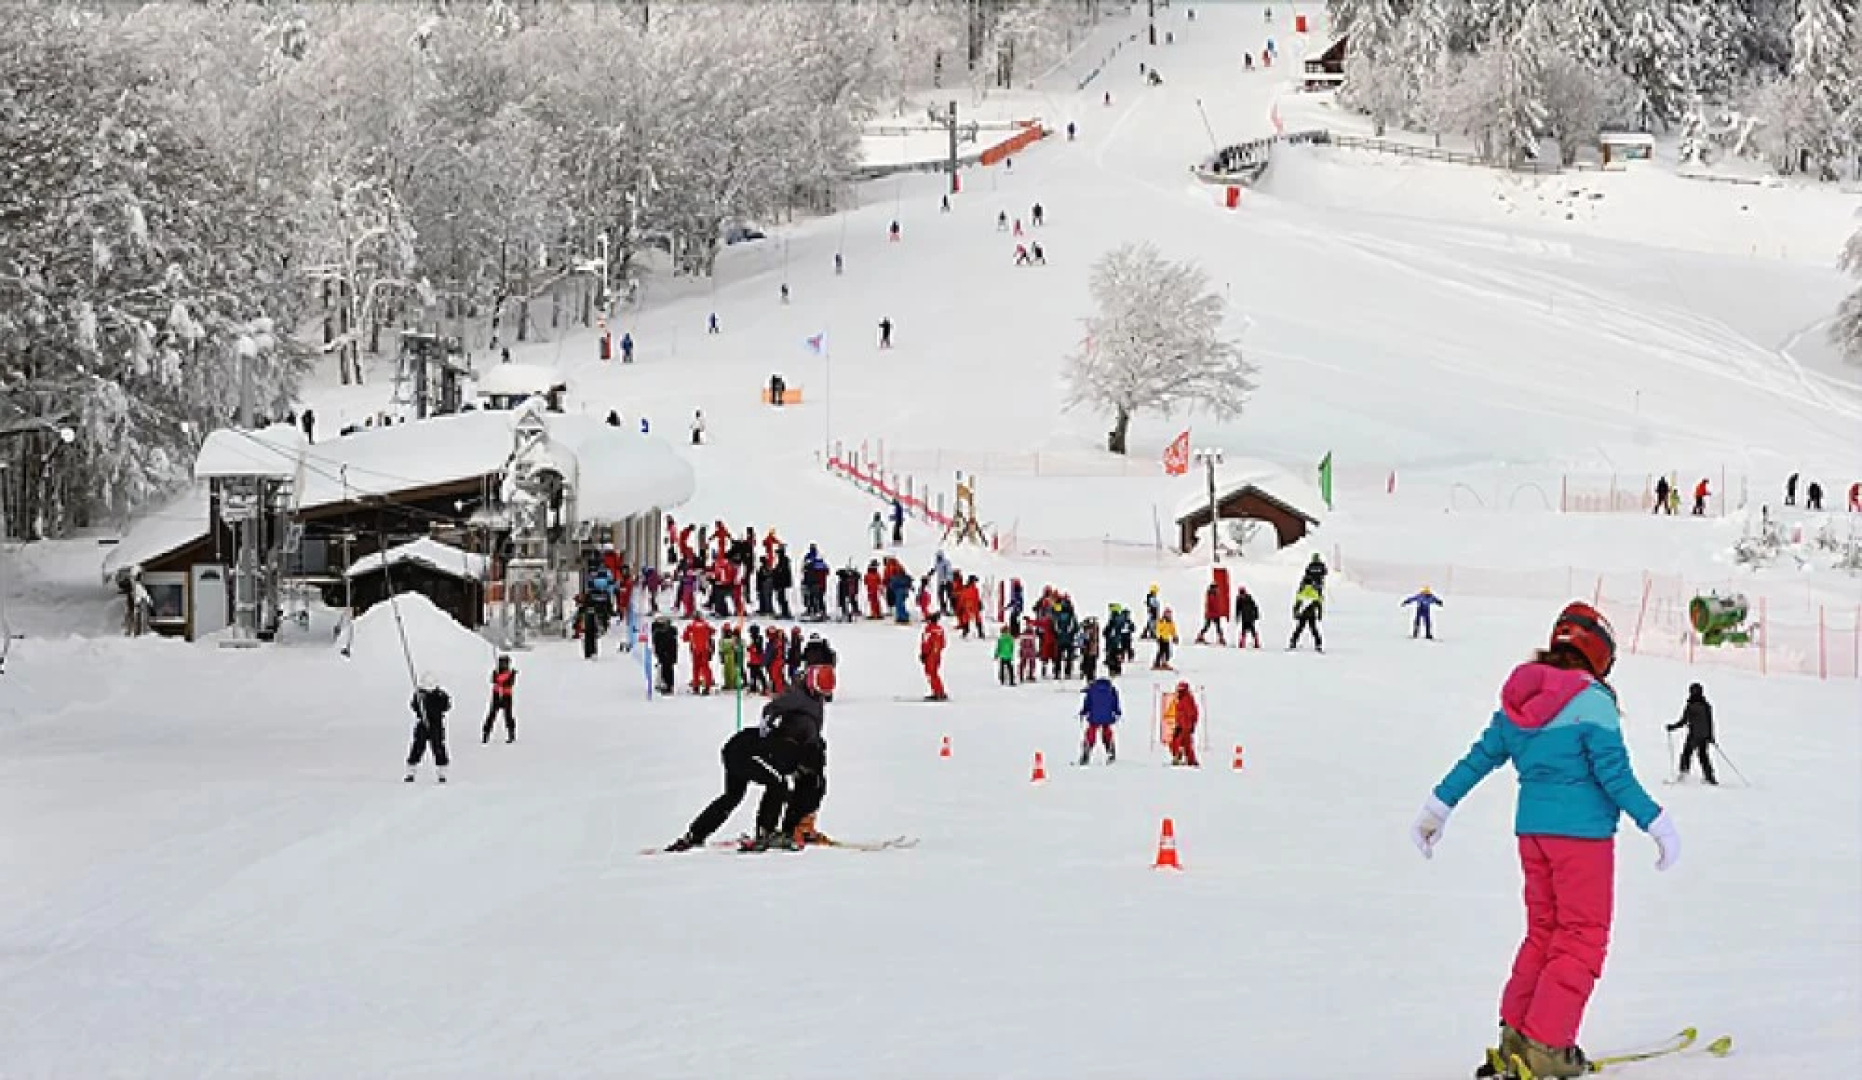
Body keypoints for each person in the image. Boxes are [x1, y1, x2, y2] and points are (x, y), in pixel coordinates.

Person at [1409, 602, 1678, 1080]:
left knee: (1544, 933)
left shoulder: (1521, 699)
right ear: (1599, 652)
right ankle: (1547, 1046)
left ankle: (1516, 1036)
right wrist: (1656, 822)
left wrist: (1438, 806)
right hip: (1583, 840)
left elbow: (1480, 757)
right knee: (1580, 939)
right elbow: (1613, 776)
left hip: (1533, 835)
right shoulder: (1592, 700)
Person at [665, 665, 837, 853]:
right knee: (776, 783)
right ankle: (765, 832)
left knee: (734, 796)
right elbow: (772, 710)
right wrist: (767, 724)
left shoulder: (802, 732)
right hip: (743, 751)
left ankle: (695, 834)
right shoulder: (794, 741)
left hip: (739, 748)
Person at [404, 674, 452, 784]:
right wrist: (418, 702)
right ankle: (411, 772)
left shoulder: (441, 695)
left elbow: (446, 706)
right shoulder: (419, 695)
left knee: (438, 747)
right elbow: (414, 706)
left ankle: (442, 773)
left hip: (436, 725)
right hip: (423, 725)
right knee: (417, 747)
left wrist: (435, 709)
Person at [1667, 683, 1717, 785]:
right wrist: (1711, 736)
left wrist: (1672, 727)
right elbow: (1710, 722)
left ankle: (1683, 774)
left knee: (1686, 754)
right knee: (1703, 756)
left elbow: (1683, 721)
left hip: (1694, 735)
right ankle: (1710, 777)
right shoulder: (1706, 705)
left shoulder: (1691, 706)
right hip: (1704, 736)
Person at [1078, 676, 1121, 765]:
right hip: (1107, 716)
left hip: (1094, 716)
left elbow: (1088, 703)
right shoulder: (1112, 690)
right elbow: (1115, 703)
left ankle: (1087, 749)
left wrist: (1083, 712)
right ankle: (1110, 750)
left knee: (1091, 731)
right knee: (1106, 730)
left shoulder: (1092, 690)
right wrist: (1117, 712)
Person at [483, 655, 517, 744]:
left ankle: (511, 734)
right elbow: (493, 680)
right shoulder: (496, 672)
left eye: (505, 663)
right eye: (501, 663)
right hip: (497, 696)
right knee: (491, 715)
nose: (503, 665)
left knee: (508, 716)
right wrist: (497, 676)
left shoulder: (511, 673)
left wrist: (500, 678)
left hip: (506, 696)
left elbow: (509, 683)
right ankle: (486, 734)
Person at [1168, 682, 1200, 767]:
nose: (1178, 692)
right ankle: (1188, 760)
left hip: (1185, 726)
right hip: (1182, 725)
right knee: (1183, 744)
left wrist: (1191, 724)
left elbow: (1192, 714)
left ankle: (1181, 759)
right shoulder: (1182, 699)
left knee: (1179, 743)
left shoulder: (1187, 699)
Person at [683, 614, 716, 695]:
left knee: (696, 668)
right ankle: (707, 686)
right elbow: (713, 631)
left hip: (695, 649)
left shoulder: (690, 626)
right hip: (705, 649)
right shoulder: (705, 625)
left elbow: (685, 638)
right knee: (705, 668)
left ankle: (696, 687)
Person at [921, 613, 948, 701]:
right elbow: (943, 643)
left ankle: (938, 692)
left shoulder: (928, 629)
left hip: (930, 655)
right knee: (935, 673)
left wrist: (924, 654)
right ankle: (939, 690)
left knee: (931, 673)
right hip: (937, 654)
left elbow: (926, 643)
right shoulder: (940, 629)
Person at [1289, 583, 1323, 652]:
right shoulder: (1315, 592)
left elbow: (1297, 604)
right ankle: (1318, 644)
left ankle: (1293, 643)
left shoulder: (1301, 591)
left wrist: (1295, 613)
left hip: (1303, 614)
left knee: (1299, 629)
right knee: (1314, 629)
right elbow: (1319, 604)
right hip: (1311, 614)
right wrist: (1319, 614)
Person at [651, 616, 679, 695]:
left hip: (666, 653)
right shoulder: (662, 632)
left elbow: (657, 644)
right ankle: (667, 685)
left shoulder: (660, 633)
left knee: (666, 669)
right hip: (666, 653)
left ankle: (667, 685)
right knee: (665, 669)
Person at [1195, 580, 1227, 645]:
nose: (1217, 588)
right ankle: (1200, 636)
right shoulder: (1211, 593)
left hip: (1214, 613)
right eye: (1216, 587)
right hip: (1211, 613)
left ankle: (1220, 638)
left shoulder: (1215, 593)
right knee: (1209, 626)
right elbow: (1212, 604)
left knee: (1214, 627)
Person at [576, 593, 604, 660]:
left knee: (588, 639)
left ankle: (588, 654)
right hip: (592, 626)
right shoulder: (593, 606)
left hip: (587, 626)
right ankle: (593, 653)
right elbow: (598, 616)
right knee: (593, 639)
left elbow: (579, 616)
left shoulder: (584, 607)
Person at [1235, 584, 1261, 648]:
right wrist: (1237, 617)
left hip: (1250, 617)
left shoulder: (1249, 598)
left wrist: (1256, 615)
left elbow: (1255, 607)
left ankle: (1256, 643)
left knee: (1252, 630)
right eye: (1241, 593)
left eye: (1242, 593)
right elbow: (1238, 609)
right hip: (1244, 617)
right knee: (1244, 630)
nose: (1242, 595)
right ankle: (1242, 643)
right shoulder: (1239, 599)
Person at [720, 625, 744, 693]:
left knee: (732, 671)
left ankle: (734, 684)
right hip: (727, 656)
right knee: (727, 671)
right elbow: (721, 648)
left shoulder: (733, 639)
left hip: (731, 656)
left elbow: (736, 647)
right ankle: (729, 684)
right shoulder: (724, 639)